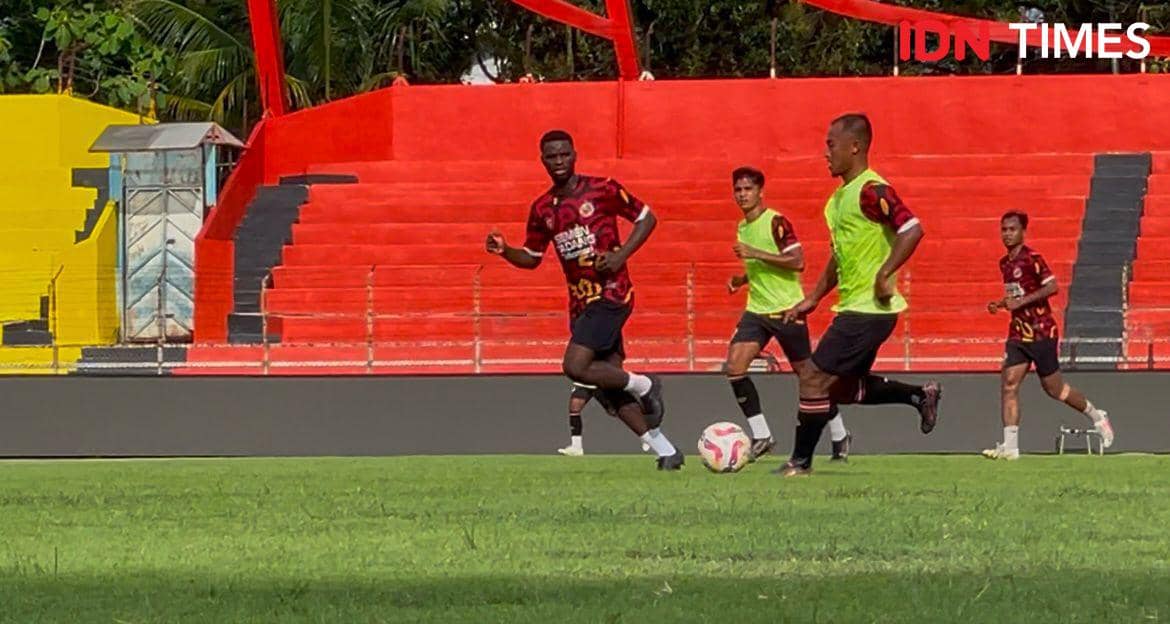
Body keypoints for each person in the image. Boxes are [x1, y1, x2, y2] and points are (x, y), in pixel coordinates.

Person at [486, 129, 684, 469]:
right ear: (543, 160)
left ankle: (647, 384)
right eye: (552, 156)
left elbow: (646, 217)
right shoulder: (542, 208)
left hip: (611, 293)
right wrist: (506, 252)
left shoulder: (602, 189)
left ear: (574, 155)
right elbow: (532, 257)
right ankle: (667, 451)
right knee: (607, 386)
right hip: (579, 305)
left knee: (575, 366)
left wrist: (621, 256)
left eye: (564, 154)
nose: (559, 161)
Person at [780, 113, 942, 477]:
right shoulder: (838, 200)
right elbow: (841, 256)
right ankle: (919, 395)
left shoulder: (872, 189)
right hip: (856, 307)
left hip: (869, 309)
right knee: (838, 390)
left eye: (830, 145)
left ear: (854, 147)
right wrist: (814, 297)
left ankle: (799, 463)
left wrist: (885, 273)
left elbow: (912, 229)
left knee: (813, 378)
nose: (826, 153)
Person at [725, 166, 852, 462]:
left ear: (760, 192)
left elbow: (797, 262)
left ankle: (839, 432)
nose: (743, 194)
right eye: (738, 190)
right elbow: (761, 266)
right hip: (757, 310)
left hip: (786, 310)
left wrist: (754, 253)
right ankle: (762, 435)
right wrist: (742, 279)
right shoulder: (743, 227)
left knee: (808, 377)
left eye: (748, 189)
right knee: (734, 367)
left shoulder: (776, 222)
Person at [982, 211, 1115, 460]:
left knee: (1055, 390)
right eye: (1004, 229)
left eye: (1012, 229)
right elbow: (1017, 294)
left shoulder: (1032, 258)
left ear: (1023, 232)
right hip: (1018, 333)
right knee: (1009, 384)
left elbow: (1051, 287)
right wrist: (1001, 304)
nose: (1007, 234)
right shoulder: (1005, 263)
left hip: (1042, 331)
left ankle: (1098, 416)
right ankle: (1010, 448)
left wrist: (1021, 302)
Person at [557, 382, 652, 456]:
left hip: (600, 381)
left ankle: (645, 435)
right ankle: (576, 447)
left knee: (614, 411)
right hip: (584, 382)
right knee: (574, 409)